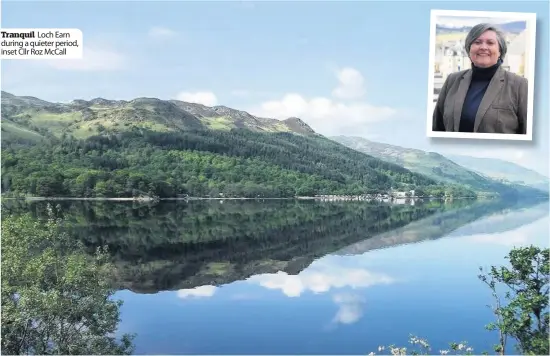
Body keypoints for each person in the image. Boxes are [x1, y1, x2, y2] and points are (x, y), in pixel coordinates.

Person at [432, 23, 528, 134]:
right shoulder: (452, 80)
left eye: (490, 43)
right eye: (477, 42)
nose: (483, 47)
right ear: (469, 49)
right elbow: (437, 128)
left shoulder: (519, 85)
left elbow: (528, 134)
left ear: (500, 51)